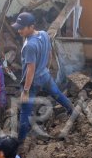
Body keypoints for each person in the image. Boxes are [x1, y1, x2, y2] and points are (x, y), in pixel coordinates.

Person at [13, 12, 74, 142]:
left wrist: (26, 91)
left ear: (31, 26)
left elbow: (30, 69)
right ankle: (72, 110)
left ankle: (20, 141)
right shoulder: (44, 34)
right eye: (18, 28)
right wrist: (46, 67)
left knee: (25, 111)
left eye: (22, 28)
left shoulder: (29, 45)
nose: (19, 31)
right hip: (45, 75)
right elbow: (50, 52)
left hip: (32, 81)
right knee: (57, 94)